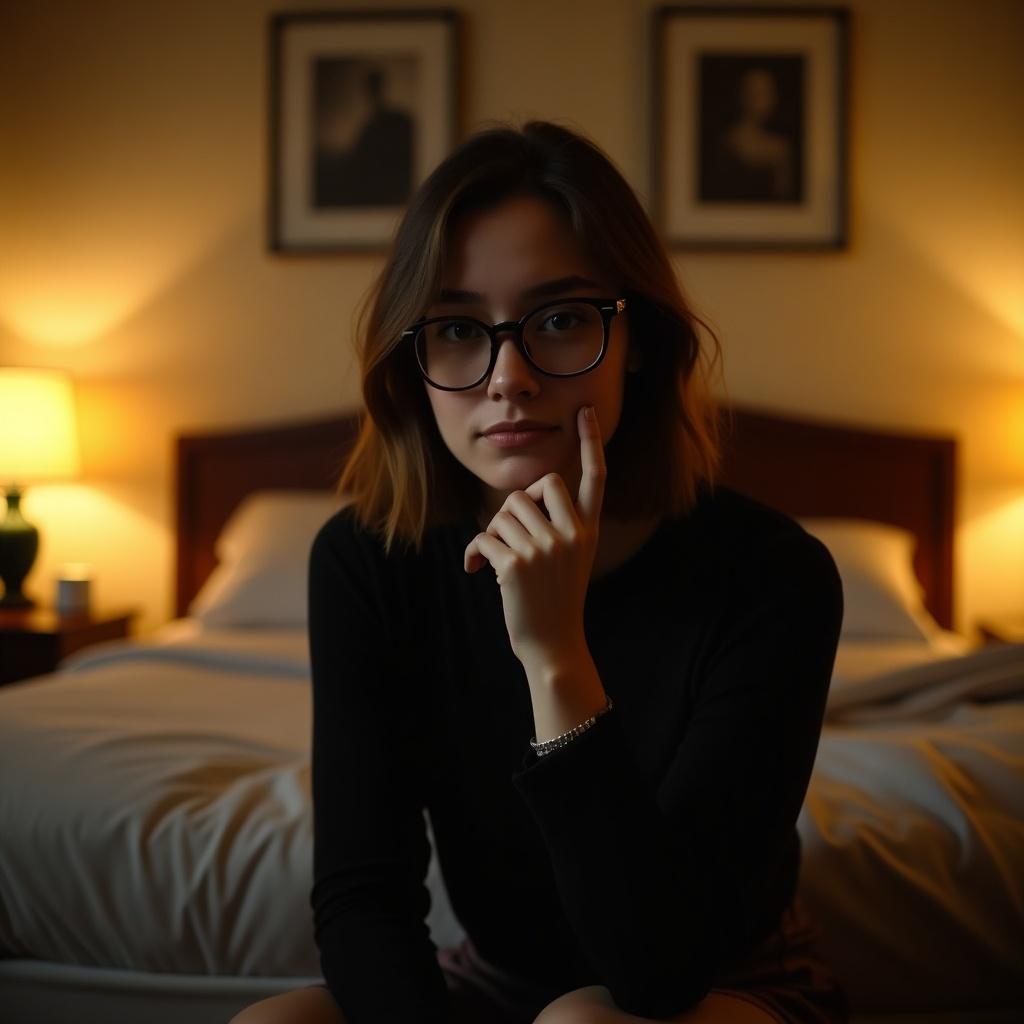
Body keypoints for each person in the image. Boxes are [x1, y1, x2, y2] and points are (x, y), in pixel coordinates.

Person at [230, 120, 846, 1024]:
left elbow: (658, 970)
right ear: (414, 360)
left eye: (559, 320)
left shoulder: (772, 576)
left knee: (586, 1022)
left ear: (635, 337)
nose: (507, 377)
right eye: (455, 328)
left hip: (718, 978)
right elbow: (365, 900)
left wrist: (555, 653)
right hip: (495, 976)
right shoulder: (367, 561)